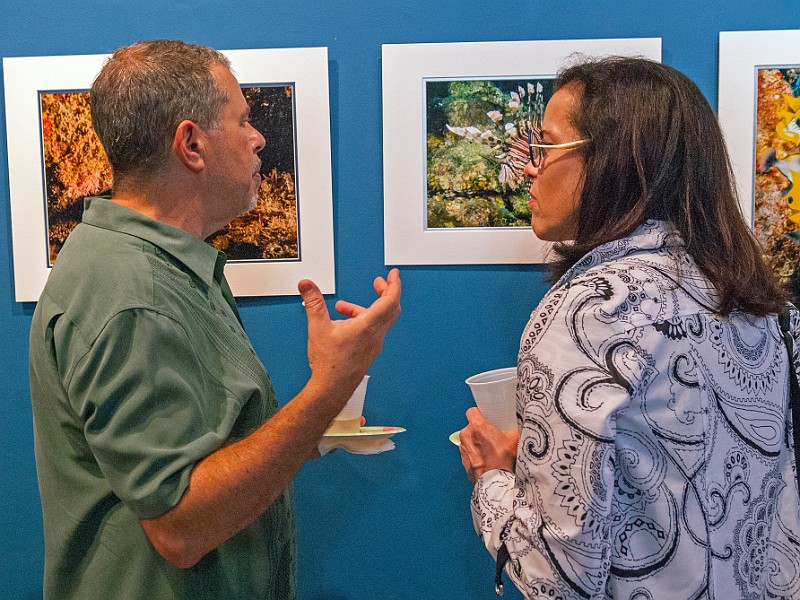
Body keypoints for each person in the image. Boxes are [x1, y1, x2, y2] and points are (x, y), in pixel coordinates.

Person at [28, 40, 401, 600]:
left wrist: (312, 427)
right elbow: (181, 526)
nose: (259, 138)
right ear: (191, 144)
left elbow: (205, 457)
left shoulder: (159, 268)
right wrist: (330, 387)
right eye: (243, 119)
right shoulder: (133, 294)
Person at [459, 56, 800, 599]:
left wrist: (494, 482)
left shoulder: (588, 312)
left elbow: (559, 580)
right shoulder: (762, 305)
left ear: (617, 160)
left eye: (545, 147)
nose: (529, 167)